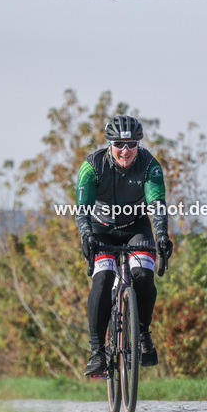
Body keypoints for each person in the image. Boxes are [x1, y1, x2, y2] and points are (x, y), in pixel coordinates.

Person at [75, 115, 173, 377]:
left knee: (143, 273)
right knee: (104, 277)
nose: (126, 151)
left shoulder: (149, 164)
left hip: (135, 226)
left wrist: (161, 235)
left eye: (132, 144)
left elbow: (157, 205)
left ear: (138, 144)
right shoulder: (92, 165)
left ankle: (141, 332)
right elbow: (81, 210)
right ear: (110, 144)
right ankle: (97, 352)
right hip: (101, 228)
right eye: (119, 144)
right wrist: (86, 236)